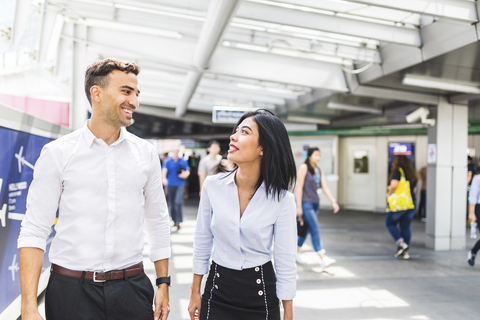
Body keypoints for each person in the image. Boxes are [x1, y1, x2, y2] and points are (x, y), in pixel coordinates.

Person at [17, 58, 171, 320]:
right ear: (96, 93)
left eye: (136, 93)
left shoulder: (145, 153)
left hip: (132, 289)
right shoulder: (58, 153)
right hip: (71, 292)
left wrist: (163, 283)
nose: (134, 101)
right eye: (126, 91)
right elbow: (34, 229)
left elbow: (158, 221)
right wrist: (28, 305)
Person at [188, 109, 297, 320]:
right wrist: (195, 291)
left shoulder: (282, 200)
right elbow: (202, 240)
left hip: (260, 295)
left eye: (244, 132)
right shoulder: (213, 186)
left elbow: (285, 259)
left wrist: (288, 312)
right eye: (235, 130)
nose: (233, 136)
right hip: (216, 290)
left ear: (263, 147)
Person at [294, 147, 339, 269]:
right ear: (309, 156)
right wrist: (299, 207)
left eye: (319, 155)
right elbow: (299, 187)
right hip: (305, 204)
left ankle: (296, 253)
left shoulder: (319, 170)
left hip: (315, 203)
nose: (318, 157)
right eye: (316, 155)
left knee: (305, 230)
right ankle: (322, 257)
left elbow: (325, 187)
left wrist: (333, 201)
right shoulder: (304, 168)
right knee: (315, 229)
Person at [386, 155, 417, 259]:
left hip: (400, 204)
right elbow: (414, 190)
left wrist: (389, 194)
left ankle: (401, 244)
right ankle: (404, 252)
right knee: (405, 227)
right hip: (411, 203)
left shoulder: (397, 171)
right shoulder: (412, 174)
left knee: (390, 223)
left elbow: (394, 185)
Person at [163, 146, 190, 231]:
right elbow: (164, 170)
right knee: (171, 203)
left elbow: (187, 171)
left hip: (180, 183)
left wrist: (185, 174)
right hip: (170, 183)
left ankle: (178, 221)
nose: (176, 153)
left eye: (177, 151)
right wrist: (163, 178)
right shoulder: (168, 161)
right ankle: (174, 220)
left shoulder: (183, 161)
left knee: (178, 202)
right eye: (175, 151)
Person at [467, 174, 480, 266]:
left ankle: (473, 251)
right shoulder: (477, 178)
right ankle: (473, 252)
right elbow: (473, 196)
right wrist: (471, 212)